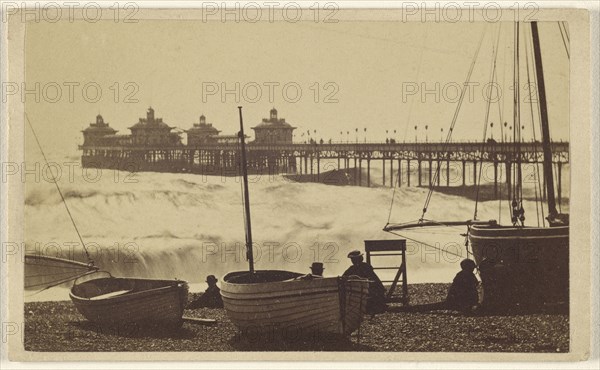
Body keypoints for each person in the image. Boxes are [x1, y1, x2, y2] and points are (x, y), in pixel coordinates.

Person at [342, 250, 387, 314]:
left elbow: (373, 279)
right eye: (352, 259)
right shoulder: (352, 268)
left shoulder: (366, 267)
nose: (352, 261)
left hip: (369, 289)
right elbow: (344, 277)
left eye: (354, 259)